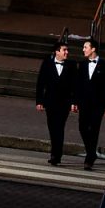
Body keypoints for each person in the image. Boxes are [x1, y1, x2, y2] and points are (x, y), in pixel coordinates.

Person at [31, 37, 76, 166]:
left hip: (64, 102)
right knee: (52, 127)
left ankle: (56, 155)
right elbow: (41, 83)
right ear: (57, 51)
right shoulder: (47, 63)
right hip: (50, 101)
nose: (67, 52)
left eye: (67, 50)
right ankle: (54, 152)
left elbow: (75, 85)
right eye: (64, 50)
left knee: (59, 127)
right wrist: (39, 101)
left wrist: (74, 102)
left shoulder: (71, 65)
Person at [77, 36, 105, 169]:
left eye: (85, 47)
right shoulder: (82, 64)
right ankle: (92, 152)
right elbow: (78, 85)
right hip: (84, 103)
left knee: (94, 129)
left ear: (93, 49)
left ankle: (89, 159)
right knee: (82, 127)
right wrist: (74, 102)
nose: (83, 50)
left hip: (98, 104)